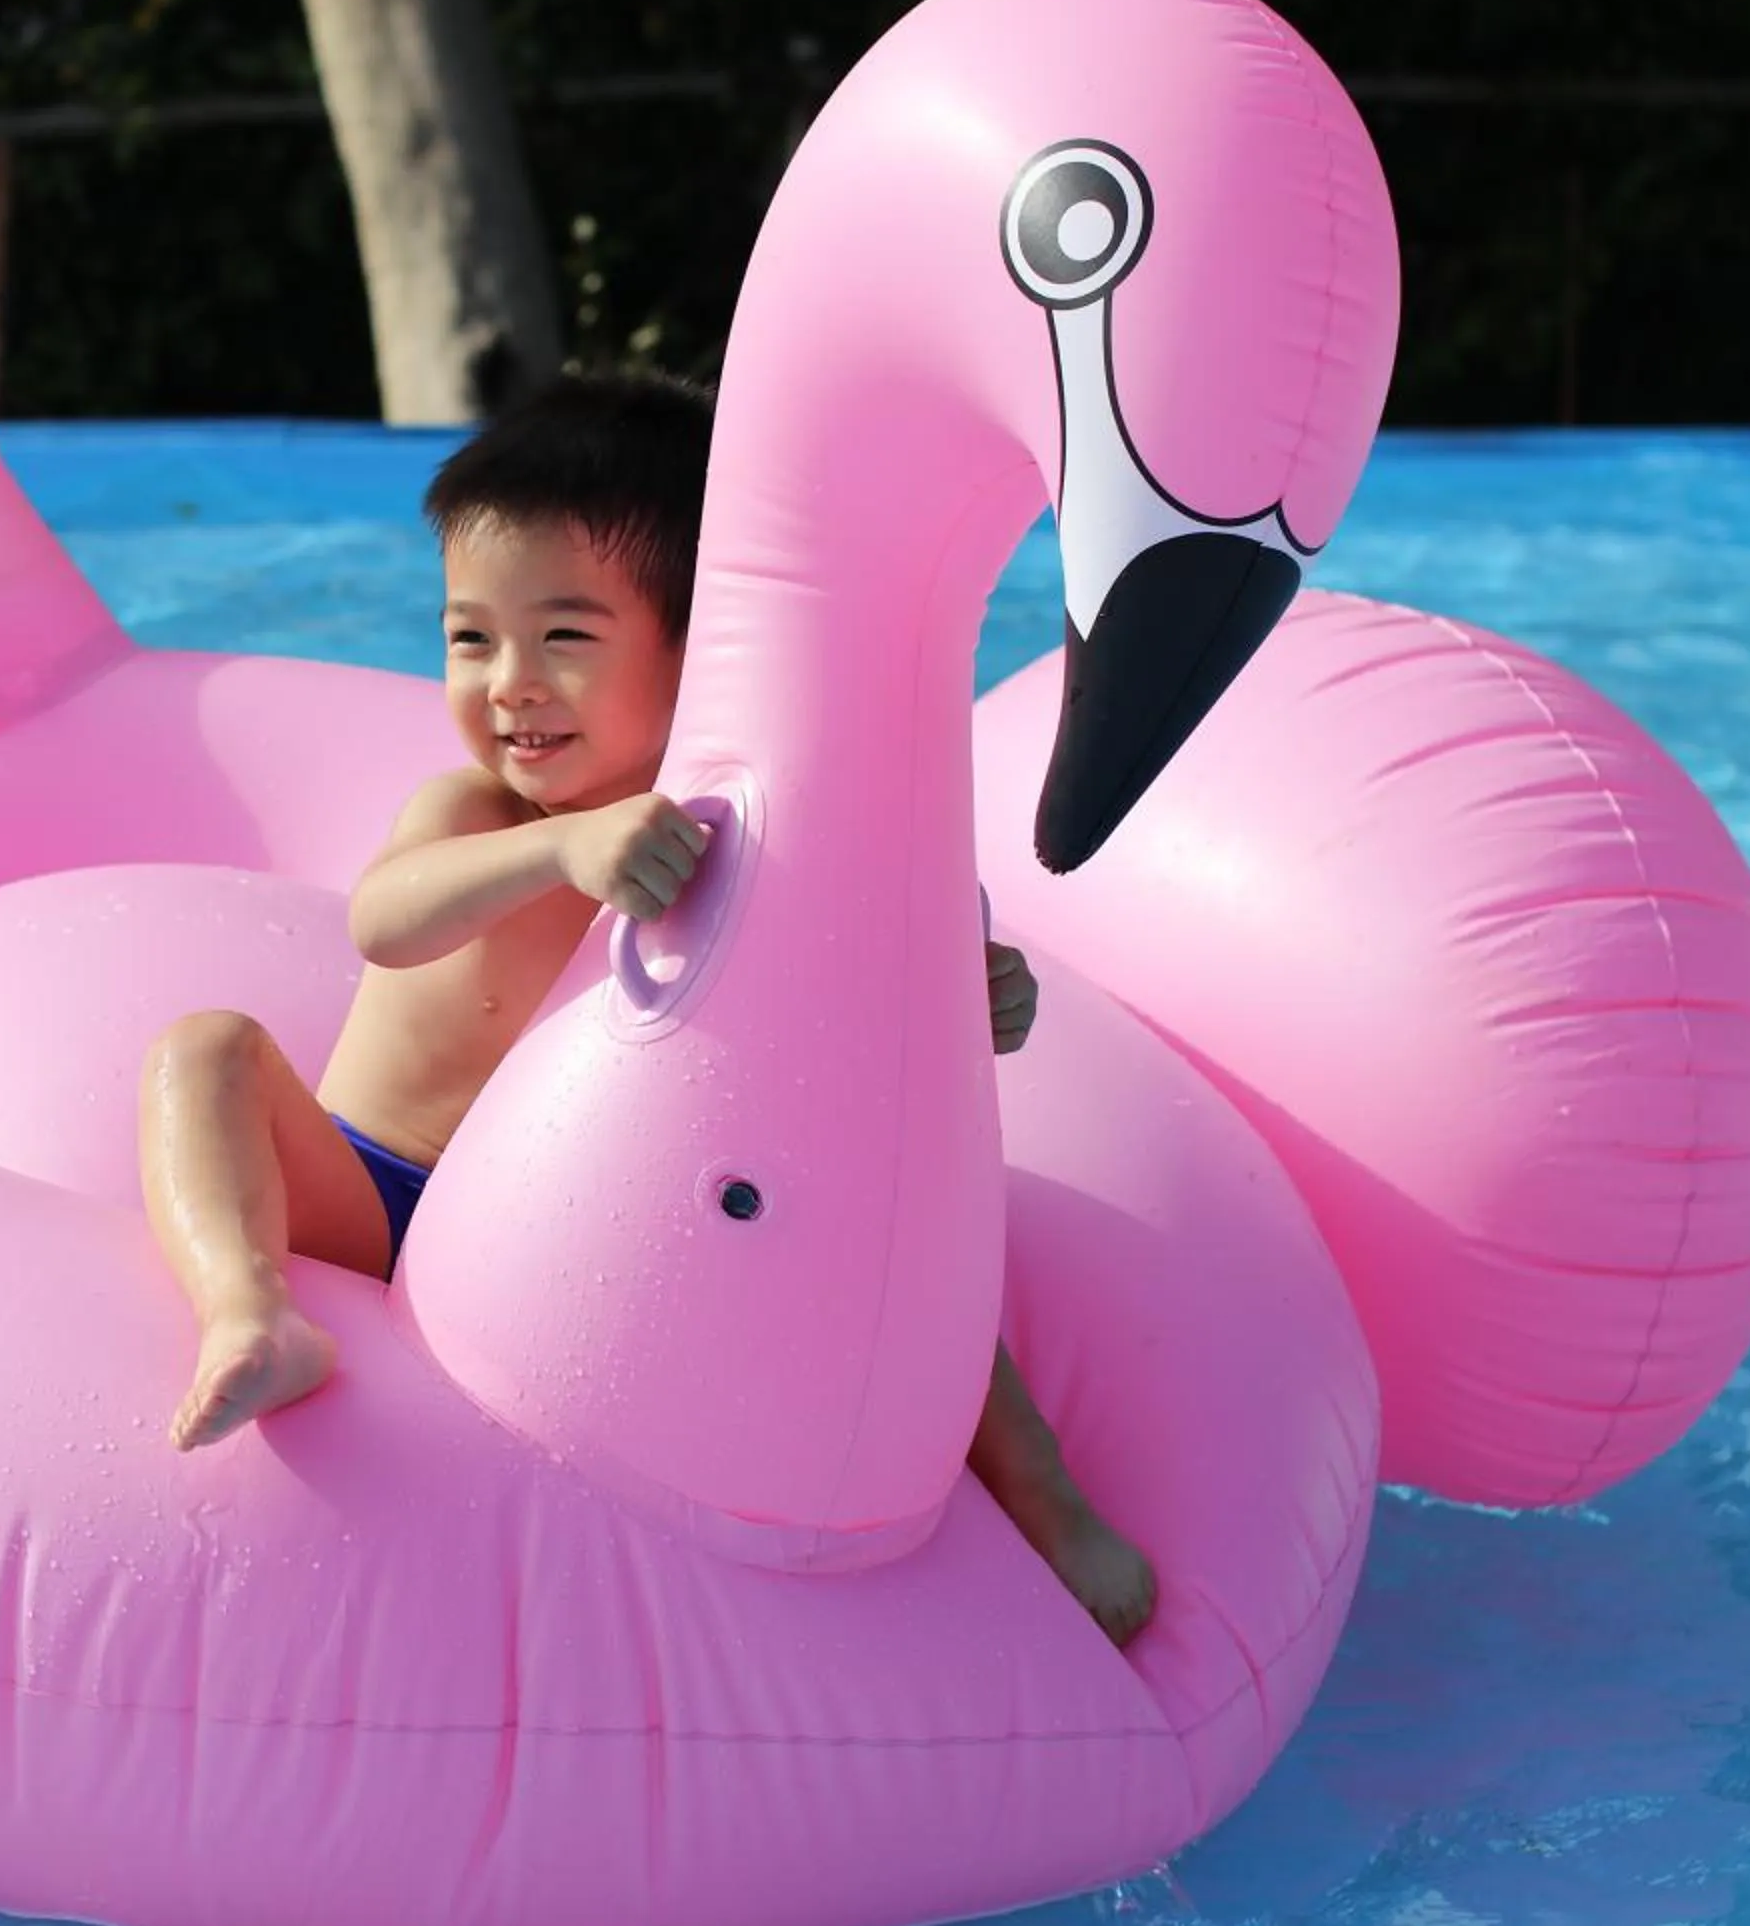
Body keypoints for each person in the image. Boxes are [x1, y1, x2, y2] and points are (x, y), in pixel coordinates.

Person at [136, 372, 1157, 1645]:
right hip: (376, 1189)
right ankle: (247, 1309)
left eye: (564, 637)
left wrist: (971, 1001)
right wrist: (556, 853)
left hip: (576, 1250)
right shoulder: (476, 817)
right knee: (204, 1052)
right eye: (470, 638)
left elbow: (860, 1047)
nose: (508, 683)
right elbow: (383, 920)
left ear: (697, 653)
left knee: (891, 1217)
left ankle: (1044, 1494)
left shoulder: (746, 863)